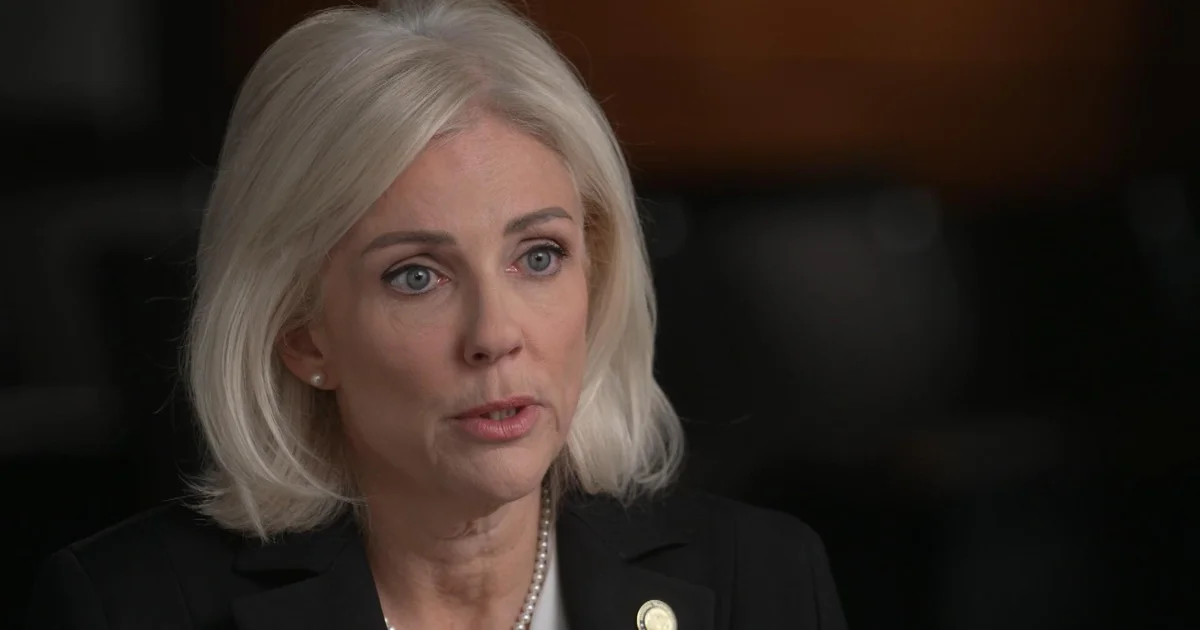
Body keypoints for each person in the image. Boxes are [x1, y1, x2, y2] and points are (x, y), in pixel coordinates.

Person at [25, 1, 847, 628]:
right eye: (416, 276)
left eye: (538, 257)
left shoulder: (761, 581)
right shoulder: (126, 608)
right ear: (301, 334)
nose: (495, 335)